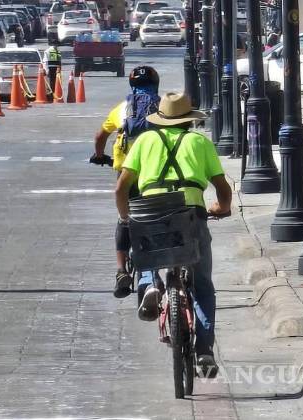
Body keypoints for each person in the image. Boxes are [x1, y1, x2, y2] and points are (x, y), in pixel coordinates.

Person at [115, 92, 233, 376]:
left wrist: (125, 216)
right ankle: (204, 350)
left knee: (145, 251)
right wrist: (222, 208)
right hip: (191, 214)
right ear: (189, 120)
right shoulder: (199, 142)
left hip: (151, 213)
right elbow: (222, 186)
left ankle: (149, 284)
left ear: (161, 120)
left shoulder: (145, 140)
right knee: (202, 284)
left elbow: (121, 188)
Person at [91, 66, 161, 298]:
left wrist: (99, 155)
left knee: (125, 219)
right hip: (156, 173)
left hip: (127, 175)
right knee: (159, 216)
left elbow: (100, 136)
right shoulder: (165, 108)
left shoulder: (122, 109)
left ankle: (121, 271)